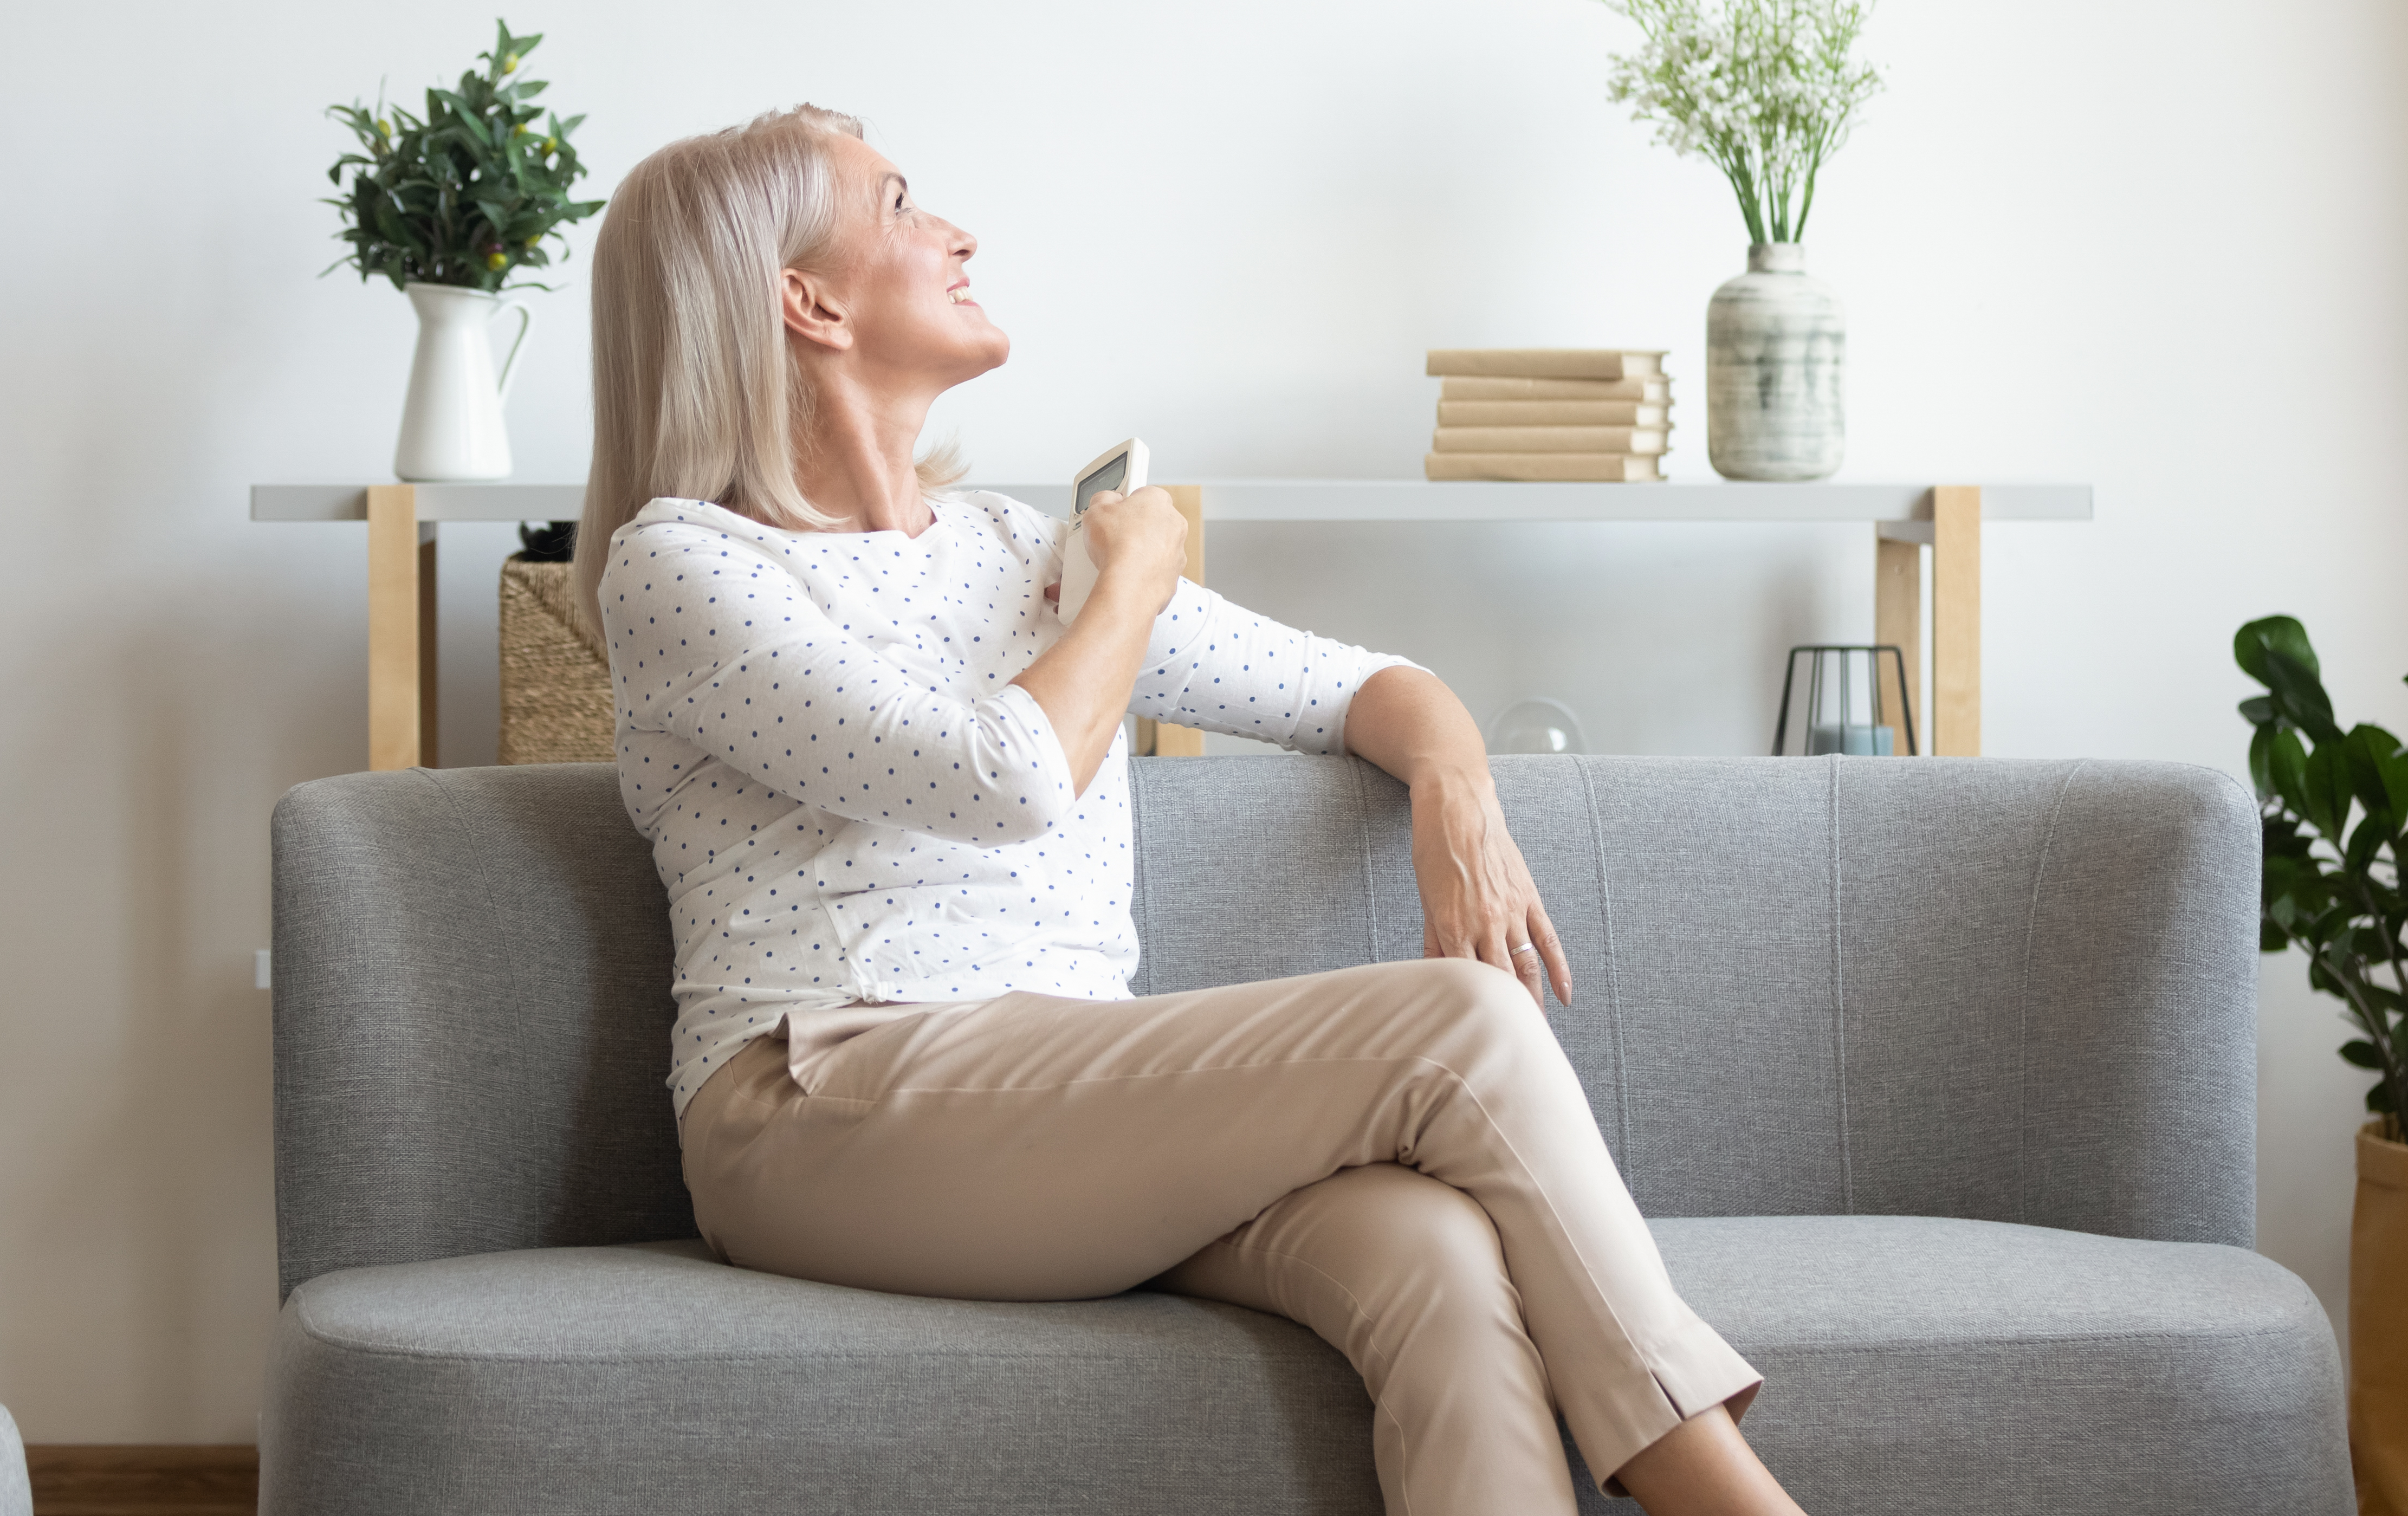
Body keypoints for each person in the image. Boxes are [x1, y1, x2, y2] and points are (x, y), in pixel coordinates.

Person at [569, 105, 1808, 1516]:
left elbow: (1373, 688)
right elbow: (1005, 775)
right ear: (807, 298)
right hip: (817, 1100)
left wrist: (1456, 789)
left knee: (1435, 1252)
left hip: (1058, 1097)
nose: (959, 232)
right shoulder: (681, 567)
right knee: (1459, 1021)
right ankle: (1720, 1488)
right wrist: (1134, 585)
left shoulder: (1022, 553)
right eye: (903, 201)